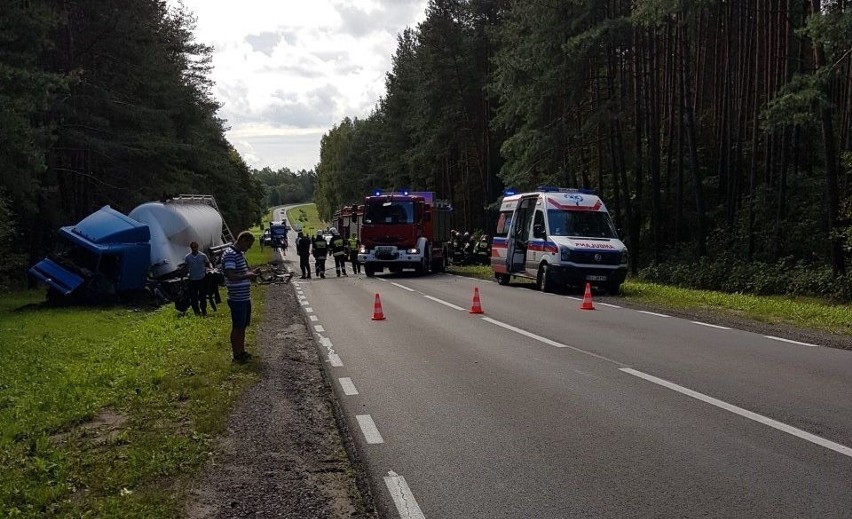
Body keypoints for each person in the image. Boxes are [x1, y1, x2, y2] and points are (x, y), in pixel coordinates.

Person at [222, 231, 260, 363]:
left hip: (244, 297)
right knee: (237, 327)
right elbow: (231, 275)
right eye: (248, 245)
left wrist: (251, 273)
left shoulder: (239, 254)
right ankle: (236, 355)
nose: (249, 248)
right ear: (242, 240)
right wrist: (248, 276)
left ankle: (241, 351)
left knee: (243, 326)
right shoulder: (230, 255)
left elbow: (241, 272)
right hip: (237, 298)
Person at [184, 241, 212, 316]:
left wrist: (209, 271)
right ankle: (196, 311)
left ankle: (203, 310)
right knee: (193, 297)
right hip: (192, 280)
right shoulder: (187, 257)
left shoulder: (203, 256)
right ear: (191, 248)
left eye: (195, 247)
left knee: (202, 296)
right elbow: (186, 268)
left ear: (197, 247)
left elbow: (208, 264)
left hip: (201, 279)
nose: (194, 249)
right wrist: (184, 276)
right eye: (193, 247)